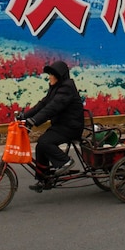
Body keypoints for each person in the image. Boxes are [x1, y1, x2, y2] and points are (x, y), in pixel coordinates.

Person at [19, 60, 85, 191]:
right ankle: (44, 179)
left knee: (44, 142)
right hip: (61, 125)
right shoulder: (56, 88)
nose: (49, 77)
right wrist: (25, 116)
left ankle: (65, 161)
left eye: (51, 74)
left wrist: (34, 121)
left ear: (59, 75)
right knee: (40, 146)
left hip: (71, 127)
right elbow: (43, 104)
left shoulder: (66, 88)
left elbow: (52, 108)